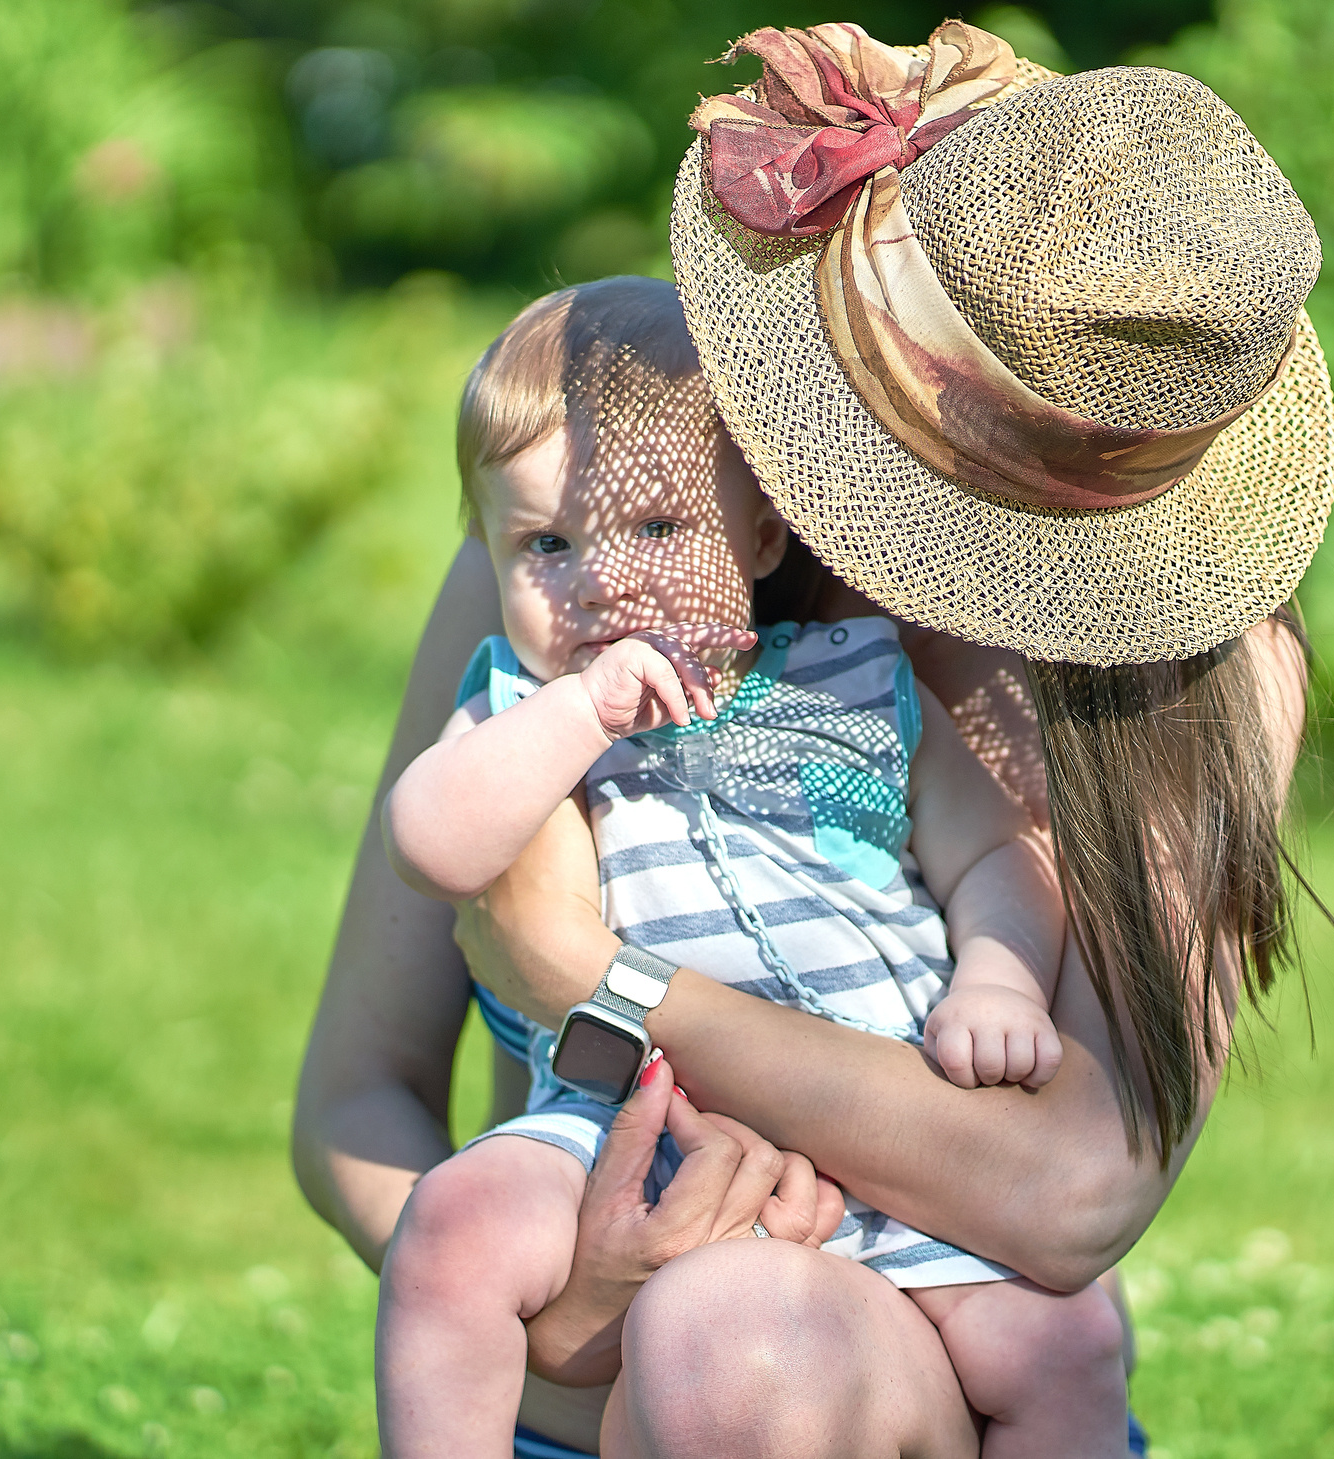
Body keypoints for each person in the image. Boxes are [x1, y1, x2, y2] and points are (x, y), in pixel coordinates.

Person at [292, 16, 1334, 1459]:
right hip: (566, 1341)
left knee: (742, 1339)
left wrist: (598, 974)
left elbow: (1075, 1186)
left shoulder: (1200, 684)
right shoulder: (603, 562)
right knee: (704, 1323)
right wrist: (570, 1307)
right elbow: (358, 1097)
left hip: (860, 1367)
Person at [376, 277, 1126, 1459]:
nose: (601, 581)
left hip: (886, 1136)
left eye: (657, 529)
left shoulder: (861, 687)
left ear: (765, 534)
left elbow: (994, 855)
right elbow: (430, 839)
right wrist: (578, 718)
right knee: (453, 1228)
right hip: (619, 1122)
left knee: (1066, 1345)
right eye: (545, 546)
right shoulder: (525, 708)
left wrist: (996, 980)